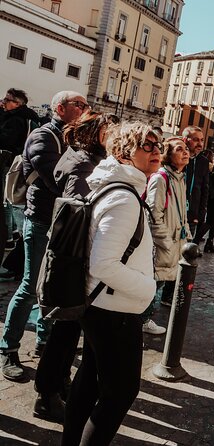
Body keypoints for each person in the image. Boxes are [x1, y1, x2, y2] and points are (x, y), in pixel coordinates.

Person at [62, 122, 160, 445]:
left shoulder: (117, 186)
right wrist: (146, 287)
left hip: (101, 306)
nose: (156, 150)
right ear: (124, 152)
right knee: (119, 393)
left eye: (157, 144)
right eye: (147, 145)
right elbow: (104, 263)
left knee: (89, 381)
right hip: (114, 311)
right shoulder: (125, 198)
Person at [33, 111, 118, 422]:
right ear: (95, 133)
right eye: (111, 131)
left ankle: (59, 385)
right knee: (65, 331)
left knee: (69, 331)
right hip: (71, 258)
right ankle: (46, 394)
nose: (115, 136)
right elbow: (77, 210)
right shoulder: (83, 163)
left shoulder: (87, 158)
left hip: (75, 257)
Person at [0, 90, 88, 382]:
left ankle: (42, 341)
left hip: (62, 223)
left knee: (51, 288)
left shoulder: (72, 139)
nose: (85, 108)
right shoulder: (42, 136)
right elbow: (57, 180)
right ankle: (8, 349)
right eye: (80, 104)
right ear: (61, 108)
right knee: (30, 287)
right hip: (40, 222)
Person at [141, 136, 191, 325]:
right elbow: (154, 215)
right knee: (153, 283)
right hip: (164, 243)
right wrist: (167, 243)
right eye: (179, 149)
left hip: (175, 241)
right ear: (168, 155)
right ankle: (142, 321)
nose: (185, 152)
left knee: (159, 282)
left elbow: (181, 212)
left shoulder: (179, 178)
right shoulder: (161, 179)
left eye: (186, 149)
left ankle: (144, 320)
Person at [0, 89, 40, 276]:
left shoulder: (15, 120)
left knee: (11, 201)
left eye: (7, 100)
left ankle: (15, 238)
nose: (4, 102)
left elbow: (5, 139)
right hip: (18, 166)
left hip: (10, 165)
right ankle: (13, 237)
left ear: (17, 103)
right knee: (11, 202)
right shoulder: (27, 118)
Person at [183, 126, 209, 238]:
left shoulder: (203, 161)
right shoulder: (177, 158)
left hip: (192, 214)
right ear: (185, 140)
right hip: (174, 211)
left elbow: (204, 188)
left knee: (186, 249)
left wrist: (201, 213)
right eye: (195, 140)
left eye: (202, 140)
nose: (200, 143)